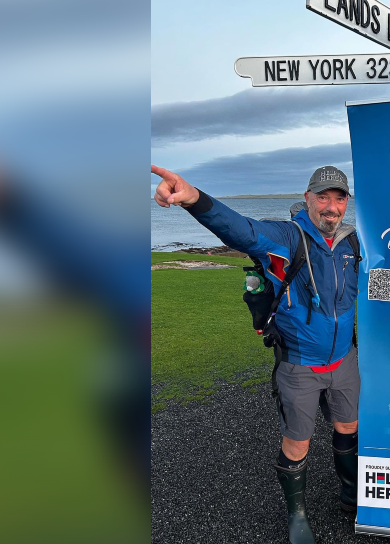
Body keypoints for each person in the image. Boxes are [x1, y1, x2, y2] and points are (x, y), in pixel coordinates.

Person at [151, 164, 360, 544]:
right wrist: (194, 199)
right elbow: (242, 230)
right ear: (308, 198)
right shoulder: (286, 236)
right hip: (299, 364)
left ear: (347, 203)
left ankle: (351, 495)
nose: (331, 207)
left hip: (345, 362)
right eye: (323, 198)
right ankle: (296, 516)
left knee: (348, 428)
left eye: (339, 199)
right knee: (299, 441)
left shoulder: (353, 243)